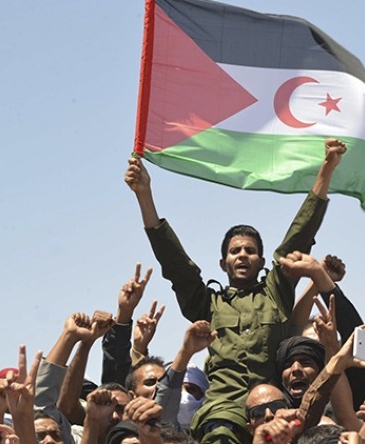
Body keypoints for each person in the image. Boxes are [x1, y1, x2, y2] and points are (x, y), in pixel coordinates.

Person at [124, 138, 347, 443]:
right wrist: (144, 195)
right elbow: (175, 263)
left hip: (271, 408)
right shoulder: (208, 305)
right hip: (222, 413)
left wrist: (327, 168)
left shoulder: (275, 294)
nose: (242, 255)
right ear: (223, 262)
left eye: (250, 251)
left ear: (261, 260)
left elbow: (300, 235)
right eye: (235, 251)